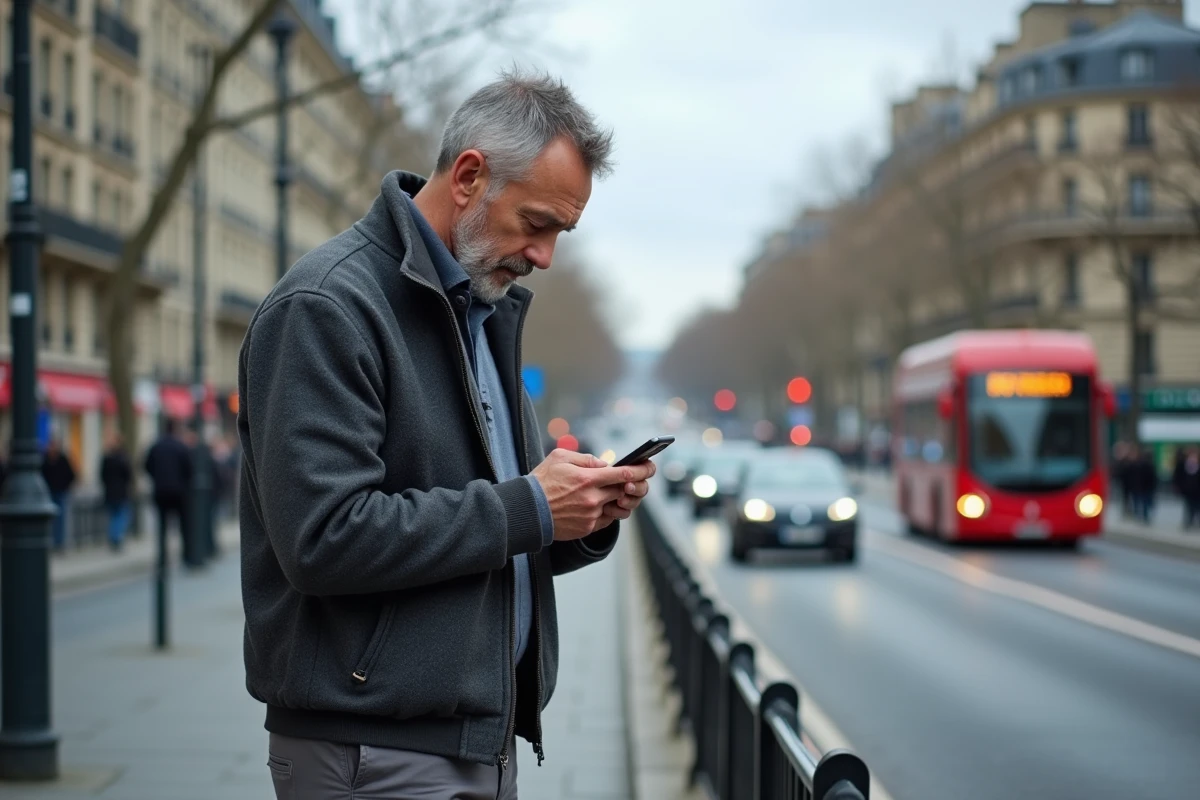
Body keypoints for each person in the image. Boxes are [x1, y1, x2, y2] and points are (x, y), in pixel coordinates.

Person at [239, 69, 653, 800]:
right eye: (537, 224)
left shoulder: (481, 312)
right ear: (468, 176)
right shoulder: (325, 306)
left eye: (562, 231)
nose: (546, 256)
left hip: (470, 741)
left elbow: (488, 528)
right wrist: (530, 506)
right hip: (374, 747)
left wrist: (579, 513)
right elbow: (324, 537)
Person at [144, 418, 197, 568]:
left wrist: (157, 479)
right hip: (179, 492)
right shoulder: (181, 447)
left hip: (160, 491)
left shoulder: (155, 446)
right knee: (184, 526)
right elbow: (189, 469)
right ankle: (186, 557)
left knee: (162, 527)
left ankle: (162, 558)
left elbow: (146, 465)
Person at [99, 433, 134, 552]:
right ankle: (116, 537)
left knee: (113, 516)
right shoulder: (123, 458)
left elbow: (102, 475)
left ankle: (113, 537)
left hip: (110, 492)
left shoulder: (106, 458)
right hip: (121, 492)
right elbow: (128, 475)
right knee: (121, 516)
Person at [42, 438, 76, 552]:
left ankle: (60, 543)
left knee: (61, 519)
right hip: (49, 493)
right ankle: (52, 542)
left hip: (61, 492)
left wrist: (65, 486)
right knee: (50, 520)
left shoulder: (62, 459)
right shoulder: (45, 459)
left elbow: (71, 474)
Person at [1179, 448, 1200, 530]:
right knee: (1188, 507)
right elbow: (1180, 477)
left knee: (1197, 507)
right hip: (1188, 491)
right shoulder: (1184, 465)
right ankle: (1188, 522)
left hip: (1197, 492)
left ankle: (1194, 521)